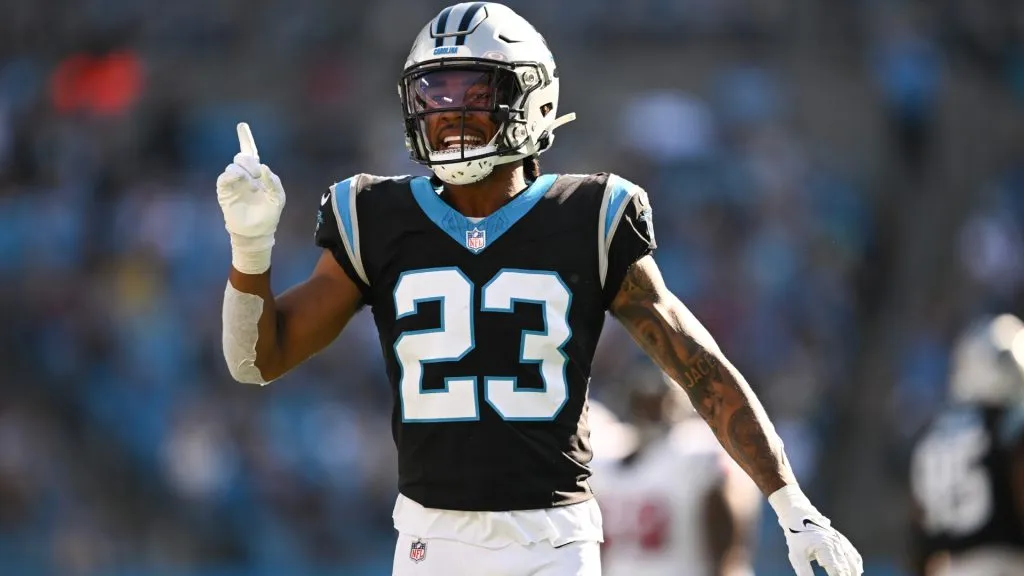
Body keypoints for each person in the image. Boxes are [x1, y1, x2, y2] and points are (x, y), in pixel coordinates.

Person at [216, 3, 863, 575]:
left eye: (472, 93)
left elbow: (698, 368)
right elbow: (256, 360)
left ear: (532, 100)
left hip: (551, 543)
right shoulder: (374, 215)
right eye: (435, 96)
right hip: (428, 540)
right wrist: (250, 250)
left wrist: (789, 501)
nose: (450, 115)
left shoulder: (590, 213)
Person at [589, 363, 761, 576]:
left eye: (655, 402)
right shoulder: (604, 457)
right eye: (642, 401)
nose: (648, 411)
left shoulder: (697, 454)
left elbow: (730, 551)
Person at [908, 314, 1024, 576]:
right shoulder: (1008, 424)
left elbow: (918, 522)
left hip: (949, 567)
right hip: (1008, 563)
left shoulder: (931, 436)